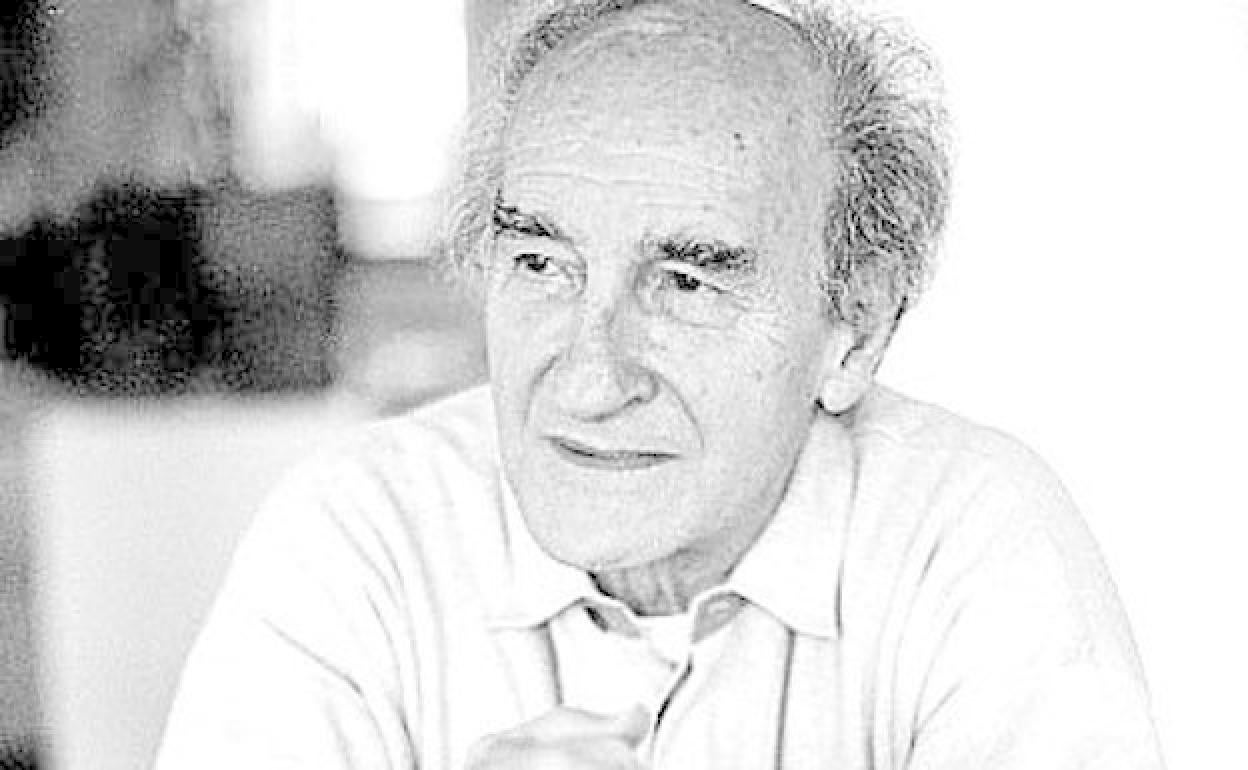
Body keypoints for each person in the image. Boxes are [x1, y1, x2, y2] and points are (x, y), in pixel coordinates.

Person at [156, 0, 1165, 767]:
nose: (590, 378)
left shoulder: (974, 542)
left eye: (686, 281)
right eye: (541, 262)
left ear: (854, 330)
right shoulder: (357, 537)